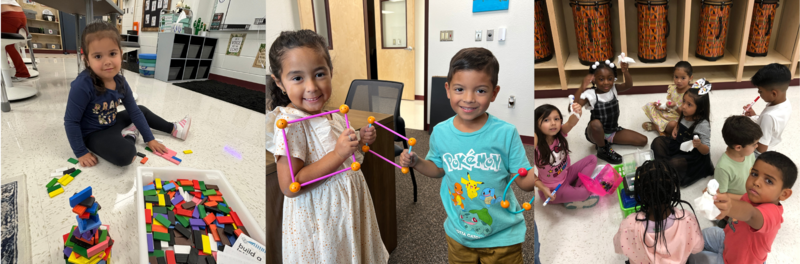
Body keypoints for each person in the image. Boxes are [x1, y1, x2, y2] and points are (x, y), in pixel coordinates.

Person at [398, 47, 537, 262]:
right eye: (460, 89)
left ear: (494, 92)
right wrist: (417, 162)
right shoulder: (441, 132)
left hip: (503, 237)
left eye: (480, 90)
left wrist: (539, 174)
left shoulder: (506, 133)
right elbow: (438, 169)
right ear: (448, 89)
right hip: (460, 234)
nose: (469, 98)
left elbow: (524, 181)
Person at [265, 29, 388, 263]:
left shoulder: (334, 115)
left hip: (346, 212)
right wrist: (338, 153)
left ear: (330, 72)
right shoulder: (290, 125)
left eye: (319, 74)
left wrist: (359, 140)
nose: (311, 86)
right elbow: (291, 185)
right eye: (297, 78)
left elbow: (342, 155)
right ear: (279, 82)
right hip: (319, 223)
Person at [65, 22, 190, 167]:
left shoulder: (120, 81)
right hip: (93, 134)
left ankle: (174, 128)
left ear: (121, 53)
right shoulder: (82, 85)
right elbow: (71, 121)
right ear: (87, 59)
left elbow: (135, 112)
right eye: (98, 56)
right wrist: (81, 152)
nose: (107, 62)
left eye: (112, 54)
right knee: (126, 156)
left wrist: (149, 138)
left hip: (113, 122)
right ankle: (131, 135)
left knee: (141, 110)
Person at [688, 151, 796, 264]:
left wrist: (729, 207)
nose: (756, 182)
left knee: (695, 258)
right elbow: (741, 201)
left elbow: (751, 214)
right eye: (754, 174)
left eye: (768, 181)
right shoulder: (754, 195)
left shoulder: (772, 214)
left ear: (784, 194)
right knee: (704, 234)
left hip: (738, 260)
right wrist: (722, 196)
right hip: (727, 240)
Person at [614, 159, 704, 263]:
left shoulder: (629, 225)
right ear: (674, 187)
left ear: (640, 192)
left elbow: (619, 248)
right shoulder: (688, 220)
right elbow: (698, 248)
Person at [574, 60, 647, 164]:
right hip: (595, 133)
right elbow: (574, 106)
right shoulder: (590, 94)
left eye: (610, 78)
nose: (606, 82)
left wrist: (625, 71)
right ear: (594, 80)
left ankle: (606, 141)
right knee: (595, 124)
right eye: (601, 79)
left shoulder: (613, 89)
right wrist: (582, 86)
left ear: (614, 78)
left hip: (612, 131)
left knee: (643, 140)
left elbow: (628, 85)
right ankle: (602, 149)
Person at [650, 79, 714, 187]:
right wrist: (677, 126)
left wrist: (698, 145)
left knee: (675, 163)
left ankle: (664, 167)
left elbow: (706, 150)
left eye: (689, 104)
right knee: (657, 142)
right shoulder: (686, 112)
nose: (683, 106)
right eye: (684, 101)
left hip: (691, 156)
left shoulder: (703, 125)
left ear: (701, 109)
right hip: (678, 144)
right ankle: (664, 167)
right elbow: (682, 117)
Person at [533, 104, 599, 208]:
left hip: (566, 174)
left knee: (592, 159)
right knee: (585, 194)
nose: (553, 123)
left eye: (556, 119)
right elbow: (526, 172)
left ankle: (575, 188)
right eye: (546, 120)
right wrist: (542, 187)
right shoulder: (536, 147)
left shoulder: (560, 133)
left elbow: (571, 123)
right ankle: (574, 192)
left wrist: (577, 113)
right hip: (551, 190)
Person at [743, 63, 793, 157]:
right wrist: (754, 116)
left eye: (760, 91)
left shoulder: (768, 117)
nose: (758, 92)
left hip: (758, 153)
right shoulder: (785, 103)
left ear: (774, 93)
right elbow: (772, 126)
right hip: (771, 146)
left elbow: (761, 148)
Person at [642, 61, 693, 134]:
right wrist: (661, 107)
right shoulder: (672, 89)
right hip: (669, 113)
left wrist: (675, 107)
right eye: (676, 77)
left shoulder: (690, 93)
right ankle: (661, 128)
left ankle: (657, 128)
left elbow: (686, 114)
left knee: (674, 125)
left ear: (690, 78)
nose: (678, 81)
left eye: (683, 78)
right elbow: (669, 106)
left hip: (679, 117)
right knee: (649, 105)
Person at [2, 0, 32, 78]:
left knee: (7, 44)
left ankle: (22, 72)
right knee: (6, 42)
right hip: (21, 15)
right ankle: (6, 62)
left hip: (6, 16)